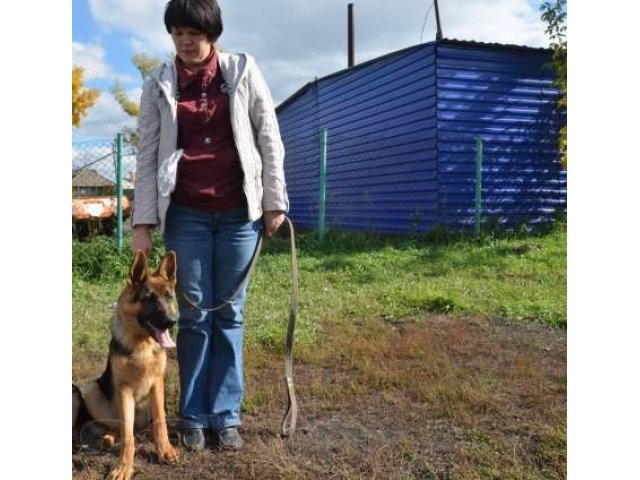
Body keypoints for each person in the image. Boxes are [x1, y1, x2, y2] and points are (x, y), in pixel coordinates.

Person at [131, 0, 288, 451]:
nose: (185, 42)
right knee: (194, 316)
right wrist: (142, 221)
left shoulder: (241, 71)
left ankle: (227, 414)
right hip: (186, 214)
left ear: (212, 34)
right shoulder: (158, 84)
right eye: (177, 33)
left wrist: (274, 201)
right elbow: (146, 156)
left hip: (240, 214)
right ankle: (194, 415)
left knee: (231, 314)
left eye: (193, 34)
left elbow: (268, 136)